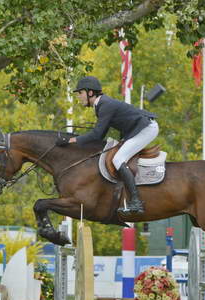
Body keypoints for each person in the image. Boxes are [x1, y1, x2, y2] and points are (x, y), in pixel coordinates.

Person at [55, 76, 159, 214]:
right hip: (138, 129)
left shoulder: (105, 105)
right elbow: (101, 134)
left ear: (90, 92)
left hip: (146, 129)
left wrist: (70, 141)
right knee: (116, 155)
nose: (79, 97)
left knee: (118, 159)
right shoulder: (101, 105)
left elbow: (96, 135)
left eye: (80, 93)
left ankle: (136, 202)